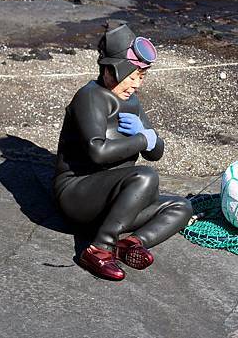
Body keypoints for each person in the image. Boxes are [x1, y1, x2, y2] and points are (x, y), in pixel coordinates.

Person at [53, 23, 193, 281]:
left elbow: (156, 152)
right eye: (131, 76)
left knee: (181, 206)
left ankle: (130, 244)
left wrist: (150, 138)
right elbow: (97, 152)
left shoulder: (132, 102)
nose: (136, 84)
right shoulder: (90, 97)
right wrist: (141, 140)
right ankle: (99, 249)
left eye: (141, 76)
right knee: (146, 177)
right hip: (78, 193)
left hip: (116, 202)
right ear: (109, 70)